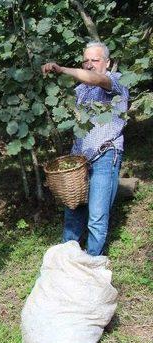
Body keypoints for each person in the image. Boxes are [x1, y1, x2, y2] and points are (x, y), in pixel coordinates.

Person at [42, 41, 129, 256]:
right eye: (85, 60)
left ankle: (91, 265)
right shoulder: (79, 91)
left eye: (95, 60)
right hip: (79, 161)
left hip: (106, 156)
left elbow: (98, 79)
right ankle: (66, 262)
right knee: (73, 211)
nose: (89, 64)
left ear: (107, 63)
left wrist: (62, 69)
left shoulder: (116, 82)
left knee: (97, 216)